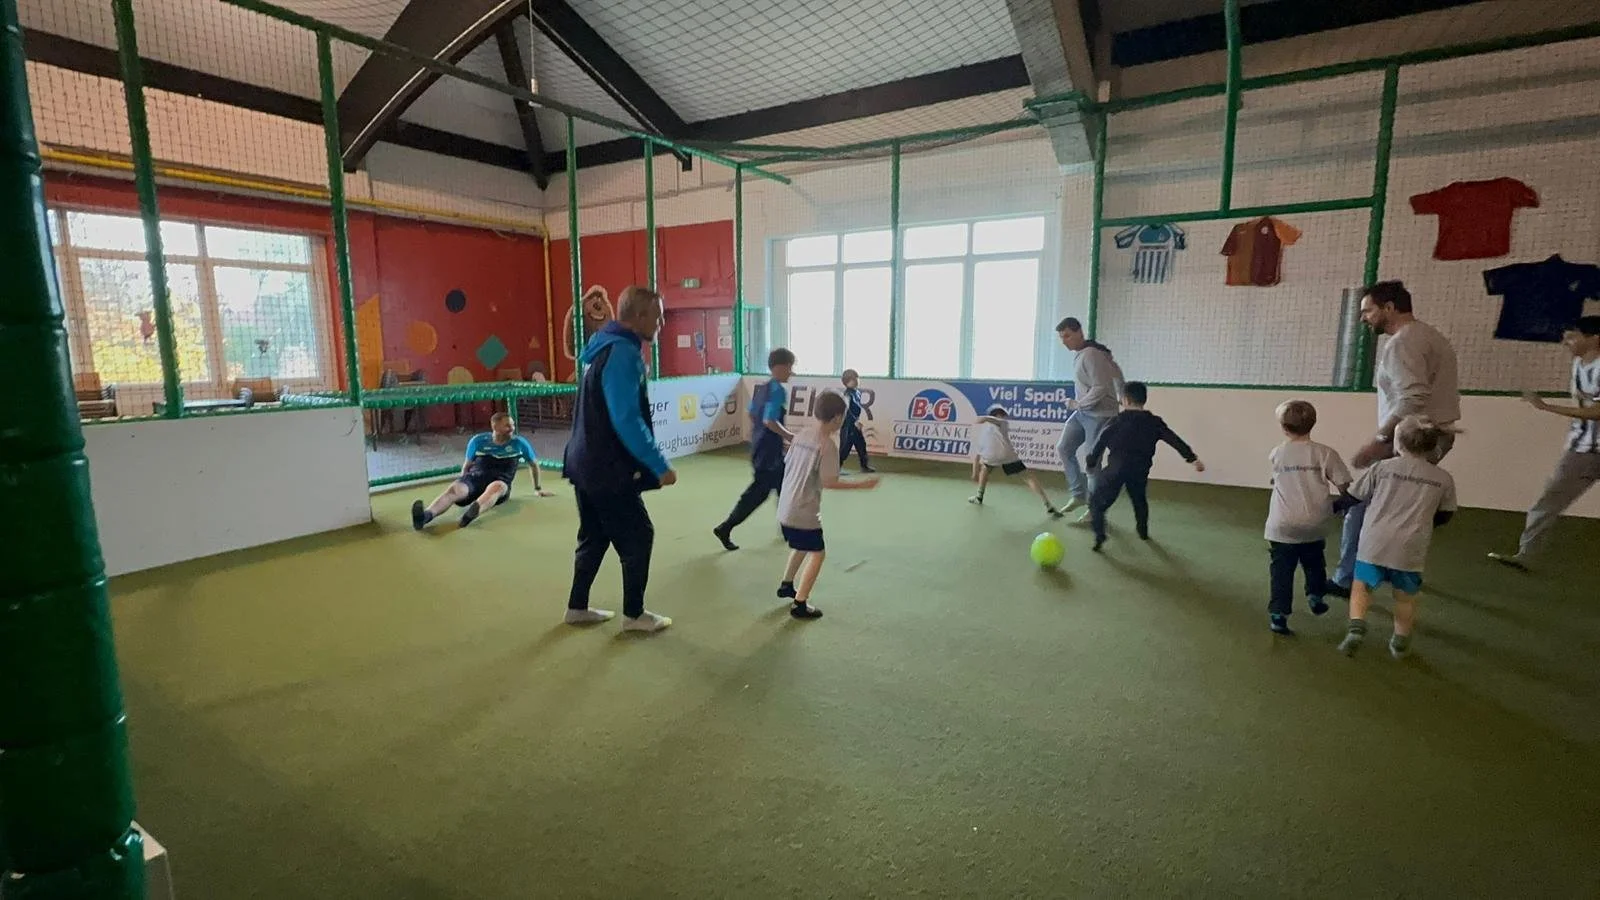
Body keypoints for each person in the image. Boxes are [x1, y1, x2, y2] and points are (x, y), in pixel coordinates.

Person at [1327, 281, 1460, 597]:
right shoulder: (1430, 336)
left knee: (1361, 506)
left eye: (1368, 311)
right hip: (1434, 436)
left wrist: (1380, 438)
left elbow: (1413, 397)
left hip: (1411, 439)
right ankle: (1396, 569)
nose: (1363, 318)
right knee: (1403, 507)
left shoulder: (1403, 342)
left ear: (1389, 308)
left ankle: (1347, 579)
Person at [562, 285, 677, 633]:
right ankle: (634, 615)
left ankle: (577, 608)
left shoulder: (602, 346)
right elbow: (626, 418)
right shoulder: (623, 353)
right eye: (658, 317)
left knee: (594, 536)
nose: (661, 324)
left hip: (584, 461)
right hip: (606, 468)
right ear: (639, 316)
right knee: (639, 535)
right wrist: (659, 465)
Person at [1333, 417, 1457, 659]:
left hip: (1374, 544)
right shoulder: (1443, 478)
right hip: (1411, 548)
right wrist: (1427, 524)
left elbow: (1354, 497)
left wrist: (1332, 507)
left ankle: (1356, 627)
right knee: (1405, 598)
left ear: (1397, 444)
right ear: (1433, 447)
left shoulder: (1382, 468)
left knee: (1361, 588)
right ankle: (1400, 640)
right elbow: (1446, 513)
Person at [1489, 316, 1600, 571]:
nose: (1566, 342)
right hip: (1581, 450)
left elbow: (1597, 411)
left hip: (1587, 451)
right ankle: (1525, 555)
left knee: (1547, 502)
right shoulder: (1578, 364)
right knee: (1548, 501)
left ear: (1594, 338)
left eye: (1572, 337)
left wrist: (1545, 406)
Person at [774, 391, 879, 619]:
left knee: (802, 545)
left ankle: (786, 585)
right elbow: (829, 482)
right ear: (837, 418)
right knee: (818, 554)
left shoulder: (801, 435)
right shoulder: (828, 445)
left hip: (785, 508)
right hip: (803, 512)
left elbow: (788, 464)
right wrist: (862, 485)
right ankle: (800, 603)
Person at [1264, 400, 1352, 636]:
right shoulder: (1325, 453)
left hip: (1282, 524)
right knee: (1314, 561)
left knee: (1281, 571)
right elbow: (1345, 486)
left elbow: (1277, 479)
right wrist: (1339, 506)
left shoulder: (1277, 453)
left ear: (1283, 428)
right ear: (1313, 423)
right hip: (1315, 521)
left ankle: (1278, 615)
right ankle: (1315, 595)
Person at [1085, 382, 1204, 551]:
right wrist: (1192, 459)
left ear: (1125, 400)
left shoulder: (1116, 421)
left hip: (1115, 470)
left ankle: (1099, 536)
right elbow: (1174, 440)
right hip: (1139, 470)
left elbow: (1100, 442)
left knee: (1096, 502)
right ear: (1144, 399)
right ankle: (1143, 531)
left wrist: (1091, 462)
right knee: (1139, 499)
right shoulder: (1154, 422)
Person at [713, 348, 796, 551]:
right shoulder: (777, 391)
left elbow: (752, 415)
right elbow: (769, 421)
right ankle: (726, 527)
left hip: (761, 448)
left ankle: (788, 529)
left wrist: (763, 437)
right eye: (789, 367)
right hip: (769, 453)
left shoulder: (763, 389)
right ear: (779, 367)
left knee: (784, 486)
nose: (791, 372)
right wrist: (790, 437)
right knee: (758, 494)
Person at [411, 412, 552, 530]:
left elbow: (533, 465)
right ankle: (425, 516)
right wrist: (461, 483)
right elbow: (467, 466)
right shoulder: (478, 441)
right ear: (495, 426)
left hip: (500, 482)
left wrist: (537, 488)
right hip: (474, 479)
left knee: (496, 487)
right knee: (454, 490)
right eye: (507, 425)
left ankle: (470, 515)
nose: (512, 428)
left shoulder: (519, 443)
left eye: (513, 425)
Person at [1054, 317, 1125, 515]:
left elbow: (1100, 387)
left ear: (1079, 332)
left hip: (1100, 415)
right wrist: (1121, 391)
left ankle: (1095, 510)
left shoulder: (1092, 354)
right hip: (1083, 413)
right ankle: (1078, 495)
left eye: (1067, 336)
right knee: (1064, 448)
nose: (1064, 341)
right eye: (1061, 337)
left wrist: (1079, 404)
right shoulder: (1086, 353)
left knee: (1092, 463)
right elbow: (1116, 371)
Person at [967, 406, 1062, 518]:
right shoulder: (1002, 423)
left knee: (985, 468)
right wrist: (985, 418)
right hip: (1007, 455)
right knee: (1028, 477)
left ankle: (979, 496)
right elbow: (995, 420)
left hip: (990, 456)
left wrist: (975, 473)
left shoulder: (984, 430)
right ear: (998, 415)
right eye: (1003, 415)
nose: (1005, 418)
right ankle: (1047, 504)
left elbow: (977, 456)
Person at [838, 369, 873, 474]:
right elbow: (847, 410)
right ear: (848, 381)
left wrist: (857, 421)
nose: (857, 380)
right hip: (848, 425)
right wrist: (854, 421)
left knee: (861, 444)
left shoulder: (857, 393)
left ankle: (864, 466)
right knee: (845, 447)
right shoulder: (848, 394)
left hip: (854, 423)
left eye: (857, 378)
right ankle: (836, 467)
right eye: (854, 379)